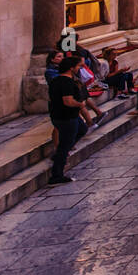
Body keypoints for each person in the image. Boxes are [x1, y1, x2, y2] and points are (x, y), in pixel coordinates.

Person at [47, 55, 87, 185]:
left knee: (82, 129)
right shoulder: (67, 82)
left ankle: (60, 154)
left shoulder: (55, 80)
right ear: (71, 68)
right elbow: (68, 101)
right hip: (67, 117)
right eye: (78, 66)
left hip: (60, 116)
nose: (79, 69)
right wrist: (80, 104)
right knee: (64, 145)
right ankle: (56, 175)